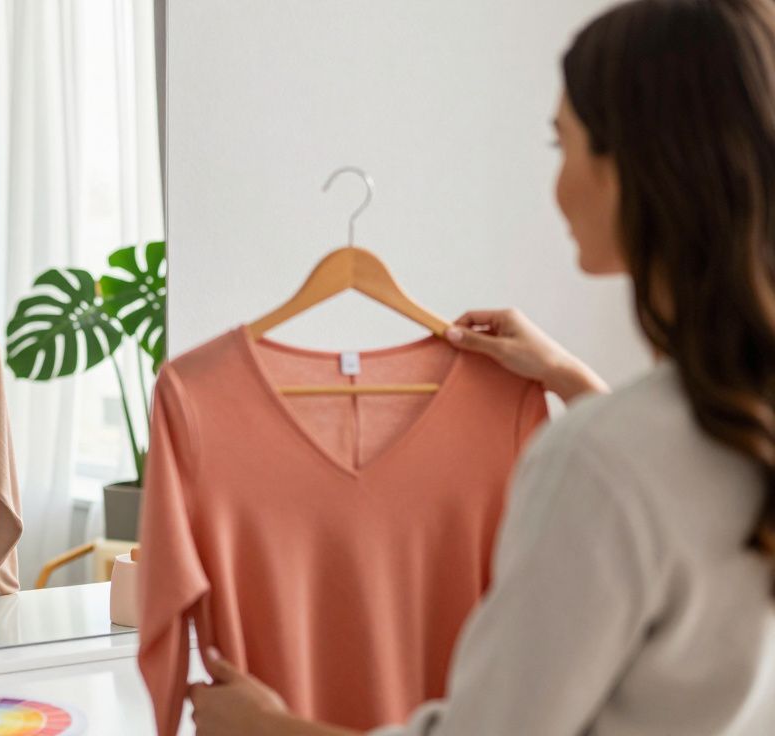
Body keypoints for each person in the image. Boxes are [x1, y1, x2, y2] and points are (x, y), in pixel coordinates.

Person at [189, 0, 775, 733]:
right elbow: (674, 490)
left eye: (562, 144)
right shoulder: (730, 426)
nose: (555, 183)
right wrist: (570, 378)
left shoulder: (595, 464)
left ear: (630, 167)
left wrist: (268, 728)